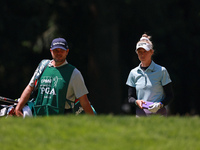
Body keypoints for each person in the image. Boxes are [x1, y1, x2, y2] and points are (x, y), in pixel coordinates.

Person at [15, 37, 94, 116]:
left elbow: (84, 101)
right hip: (39, 118)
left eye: (62, 50)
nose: (58, 53)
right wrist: (18, 108)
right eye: (56, 50)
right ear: (51, 51)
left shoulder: (74, 73)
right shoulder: (43, 66)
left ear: (67, 52)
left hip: (61, 121)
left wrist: (94, 122)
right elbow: (30, 87)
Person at [126, 34, 173, 117]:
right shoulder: (133, 73)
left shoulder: (161, 71)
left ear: (151, 52)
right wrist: (137, 102)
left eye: (145, 51)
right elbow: (130, 98)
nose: (142, 54)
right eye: (140, 52)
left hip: (159, 115)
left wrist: (160, 104)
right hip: (141, 115)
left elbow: (169, 96)